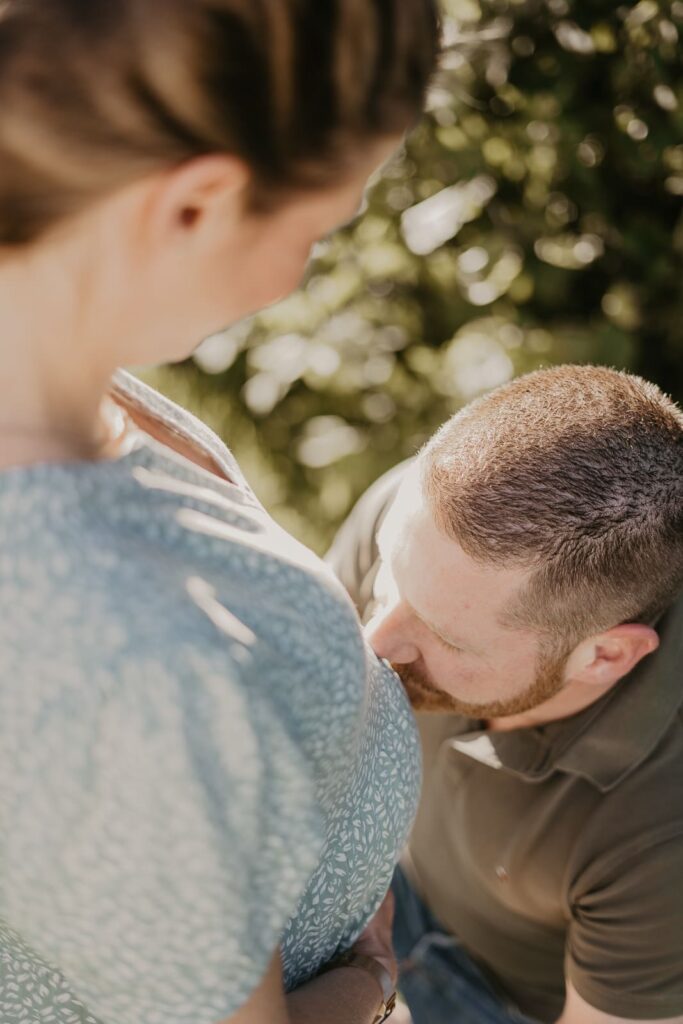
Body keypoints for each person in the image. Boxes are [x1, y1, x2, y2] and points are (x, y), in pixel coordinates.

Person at [0, 2, 440, 1023]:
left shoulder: (45, 354)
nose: (301, 271)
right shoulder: (108, 657)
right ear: (196, 202)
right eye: (318, 228)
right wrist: (370, 981)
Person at [327, 365, 683, 1024]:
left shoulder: (664, 832)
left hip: (498, 997)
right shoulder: (429, 532)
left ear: (604, 656)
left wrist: (361, 989)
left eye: (444, 637)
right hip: (394, 865)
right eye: (388, 577)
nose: (374, 641)